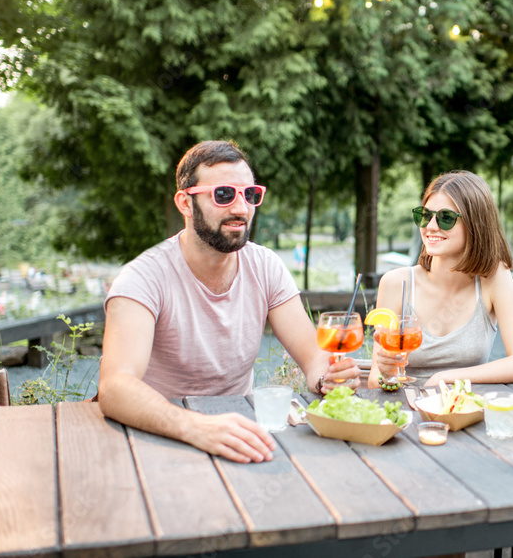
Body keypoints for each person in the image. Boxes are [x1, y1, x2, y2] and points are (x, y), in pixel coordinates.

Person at [99, 140, 359, 464]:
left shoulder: (265, 266)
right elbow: (114, 388)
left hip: (238, 437)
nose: (241, 208)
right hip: (157, 440)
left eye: (249, 195)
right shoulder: (142, 278)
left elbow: (314, 356)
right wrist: (196, 427)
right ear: (184, 202)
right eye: (224, 194)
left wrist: (327, 378)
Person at [369, 170, 513, 387]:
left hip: (464, 411)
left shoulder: (494, 278)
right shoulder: (395, 283)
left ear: (476, 224)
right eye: (425, 215)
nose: (430, 226)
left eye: (446, 218)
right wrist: (387, 373)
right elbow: (375, 379)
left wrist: (445, 378)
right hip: (405, 413)